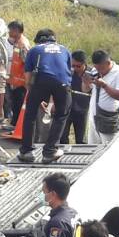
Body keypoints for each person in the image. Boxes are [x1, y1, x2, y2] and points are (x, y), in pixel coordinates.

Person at [20, 30, 72, 163]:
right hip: (62, 84)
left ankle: (27, 152)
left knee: (30, 115)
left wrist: (34, 96)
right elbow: (64, 71)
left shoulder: (35, 50)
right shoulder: (64, 50)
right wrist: (52, 100)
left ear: (38, 40)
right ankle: (49, 151)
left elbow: (27, 78)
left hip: (40, 81)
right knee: (61, 115)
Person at [88, 51, 119, 143]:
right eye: (96, 68)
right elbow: (86, 90)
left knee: (109, 149)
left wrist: (104, 85)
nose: (98, 71)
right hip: (93, 116)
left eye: (101, 68)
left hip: (108, 118)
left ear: (108, 63)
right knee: (92, 149)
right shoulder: (95, 71)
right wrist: (86, 82)